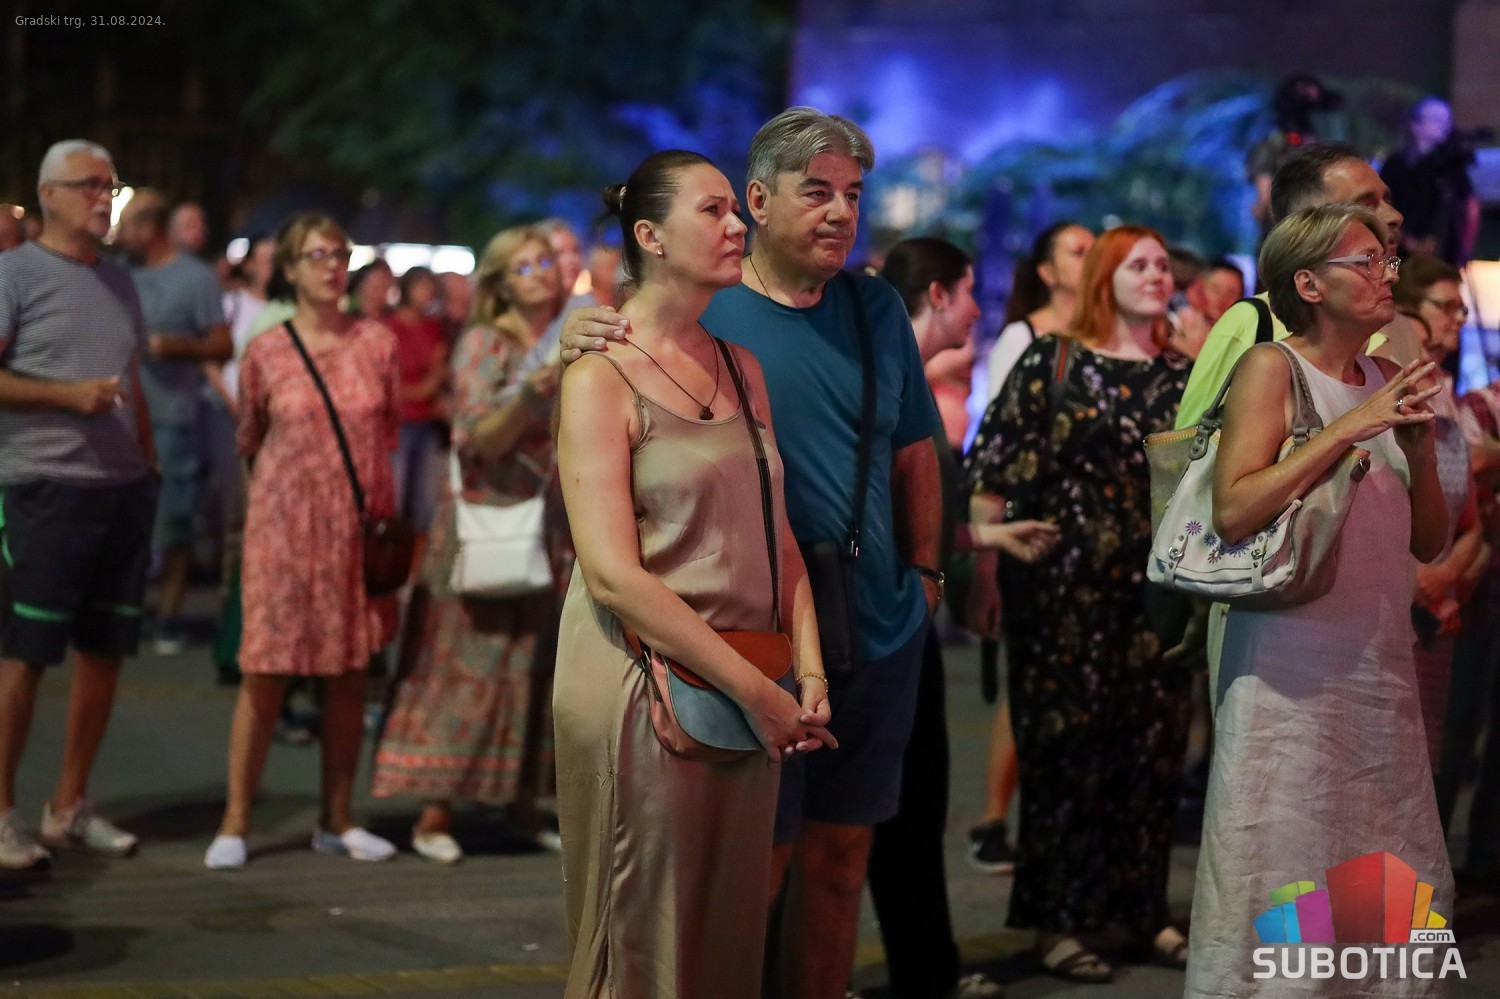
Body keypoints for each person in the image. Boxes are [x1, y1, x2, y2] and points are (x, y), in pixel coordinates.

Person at [563, 108, 943, 999]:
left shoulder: (859, 313)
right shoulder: (695, 318)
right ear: (761, 200)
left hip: (856, 625)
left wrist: (925, 576)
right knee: (721, 881)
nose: (841, 212)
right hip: (705, 647)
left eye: (853, 194)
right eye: (817, 192)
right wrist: (576, 334)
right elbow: (612, 551)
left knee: (836, 861)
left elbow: (913, 451)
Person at [553, 149, 834, 998]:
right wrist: (758, 691)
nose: (737, 224)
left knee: (724, 932)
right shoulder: (598, 375)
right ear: (650, 236)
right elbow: (612, 576)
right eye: (713, 210)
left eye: (734, 210)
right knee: (642, 938)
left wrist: (807, 672)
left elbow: (779, 534)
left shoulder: (742, 366)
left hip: (747, 681)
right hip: (642, 683)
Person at [1185, 203, 1454, 998]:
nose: (1386, 274)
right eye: (1365, 261)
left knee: (1384, 853)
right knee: (1285, 854)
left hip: (1378, 666)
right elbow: (1233, 508)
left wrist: (1417, 451)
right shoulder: (1272, 368)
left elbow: (1429, 540)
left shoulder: (1387, 377)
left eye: (1387, 260)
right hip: (1287, 673)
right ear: (1309, 283)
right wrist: (1348, 429)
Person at [966, 225, 1193, 982]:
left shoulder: (1186, 373)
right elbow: (993, 470)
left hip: (1156, 596)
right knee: (1066, 757)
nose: (1156, 274)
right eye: (1138, 264)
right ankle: (1058, 922)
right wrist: (985, 577)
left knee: (1151, 753)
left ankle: (1141, 911)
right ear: (1104, 277)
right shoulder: (1053, 360)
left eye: (1162, 264)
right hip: (1063, 595)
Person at [868, 235, 1062, 999]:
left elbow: (920, 516)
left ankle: (925, 969)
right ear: (938, 294)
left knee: (911, 806)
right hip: (880, 620)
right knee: (892, 808)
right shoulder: (889, 384)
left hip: (902, 614)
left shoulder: (909, 382)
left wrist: (984, 539)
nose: (981, 309)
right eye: (971, 290)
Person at [204, 213, 400, 870]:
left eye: (339, 253)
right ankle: (235, 819)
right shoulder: (266, 349)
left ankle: (336, 818)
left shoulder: (377, 343)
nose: (332, 266)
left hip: (354, 530)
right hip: (282, 531)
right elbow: (250, 438)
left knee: (348, 675)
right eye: (316, 255)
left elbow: (387, 433)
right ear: (290, 269)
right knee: (265, 672)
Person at [372, 226, 565, 862]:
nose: (540, 273)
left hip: (547, 523)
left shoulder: (562, 338)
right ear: (500, 284)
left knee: (533, 666)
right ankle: (435, 813)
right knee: (468, 664)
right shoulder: (486, 342)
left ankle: (522, 803)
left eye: (545, 261)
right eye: (524, 266)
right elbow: (479, 436)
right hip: (486, 521)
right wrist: (532, 392)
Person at [0, 139, 157, 869]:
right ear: (50, 195)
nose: (105, 197)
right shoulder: (13, 274)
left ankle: (69, 805)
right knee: (24, 656)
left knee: (104, 654)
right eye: (91, 185)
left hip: (122, 492)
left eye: (111, 186)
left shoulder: (121, 283)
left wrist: (148, 466)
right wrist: (65, 396)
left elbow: (132, 379)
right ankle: (2, 813)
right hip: (44, 487)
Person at [116, 189, 231, 655]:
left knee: (173, 522)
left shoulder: (196, 278)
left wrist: (172, 346)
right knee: (121, 524)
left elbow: (222, 345)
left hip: (173, 419)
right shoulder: (119, 273)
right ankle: (123, 612)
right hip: (118, 418)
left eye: (127, 226)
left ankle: (168, 615)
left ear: (151, 229)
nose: (119, 235)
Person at [983, 222, 1093, 404]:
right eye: (1079, 253)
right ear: (1048, 272)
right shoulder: (1021, 337)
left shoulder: (1109, 335)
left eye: (1096, 254)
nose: (1093, 262)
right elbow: (1000, 412)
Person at [1381, 96, 1481, 266]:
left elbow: (1470, 205)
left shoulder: (1450, 165)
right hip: (1402, 255)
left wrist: (1463, 251)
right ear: (1415, 125)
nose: (1444, 126)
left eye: (1447, 121)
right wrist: (1408, 242)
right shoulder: (1396, 165)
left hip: (1443, 257)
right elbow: (1382, 207)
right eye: (1436, 120)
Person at [386, 265, 449, 534]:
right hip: (399, 424)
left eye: (430, 288)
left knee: (425, 501)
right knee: (396, 498)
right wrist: (423, 388)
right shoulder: (389, 327)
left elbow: (439, 368)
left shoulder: (432, 327)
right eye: (421, 287)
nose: (427, 294)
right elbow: (388, 382)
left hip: (428, 420)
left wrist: (427, 387)